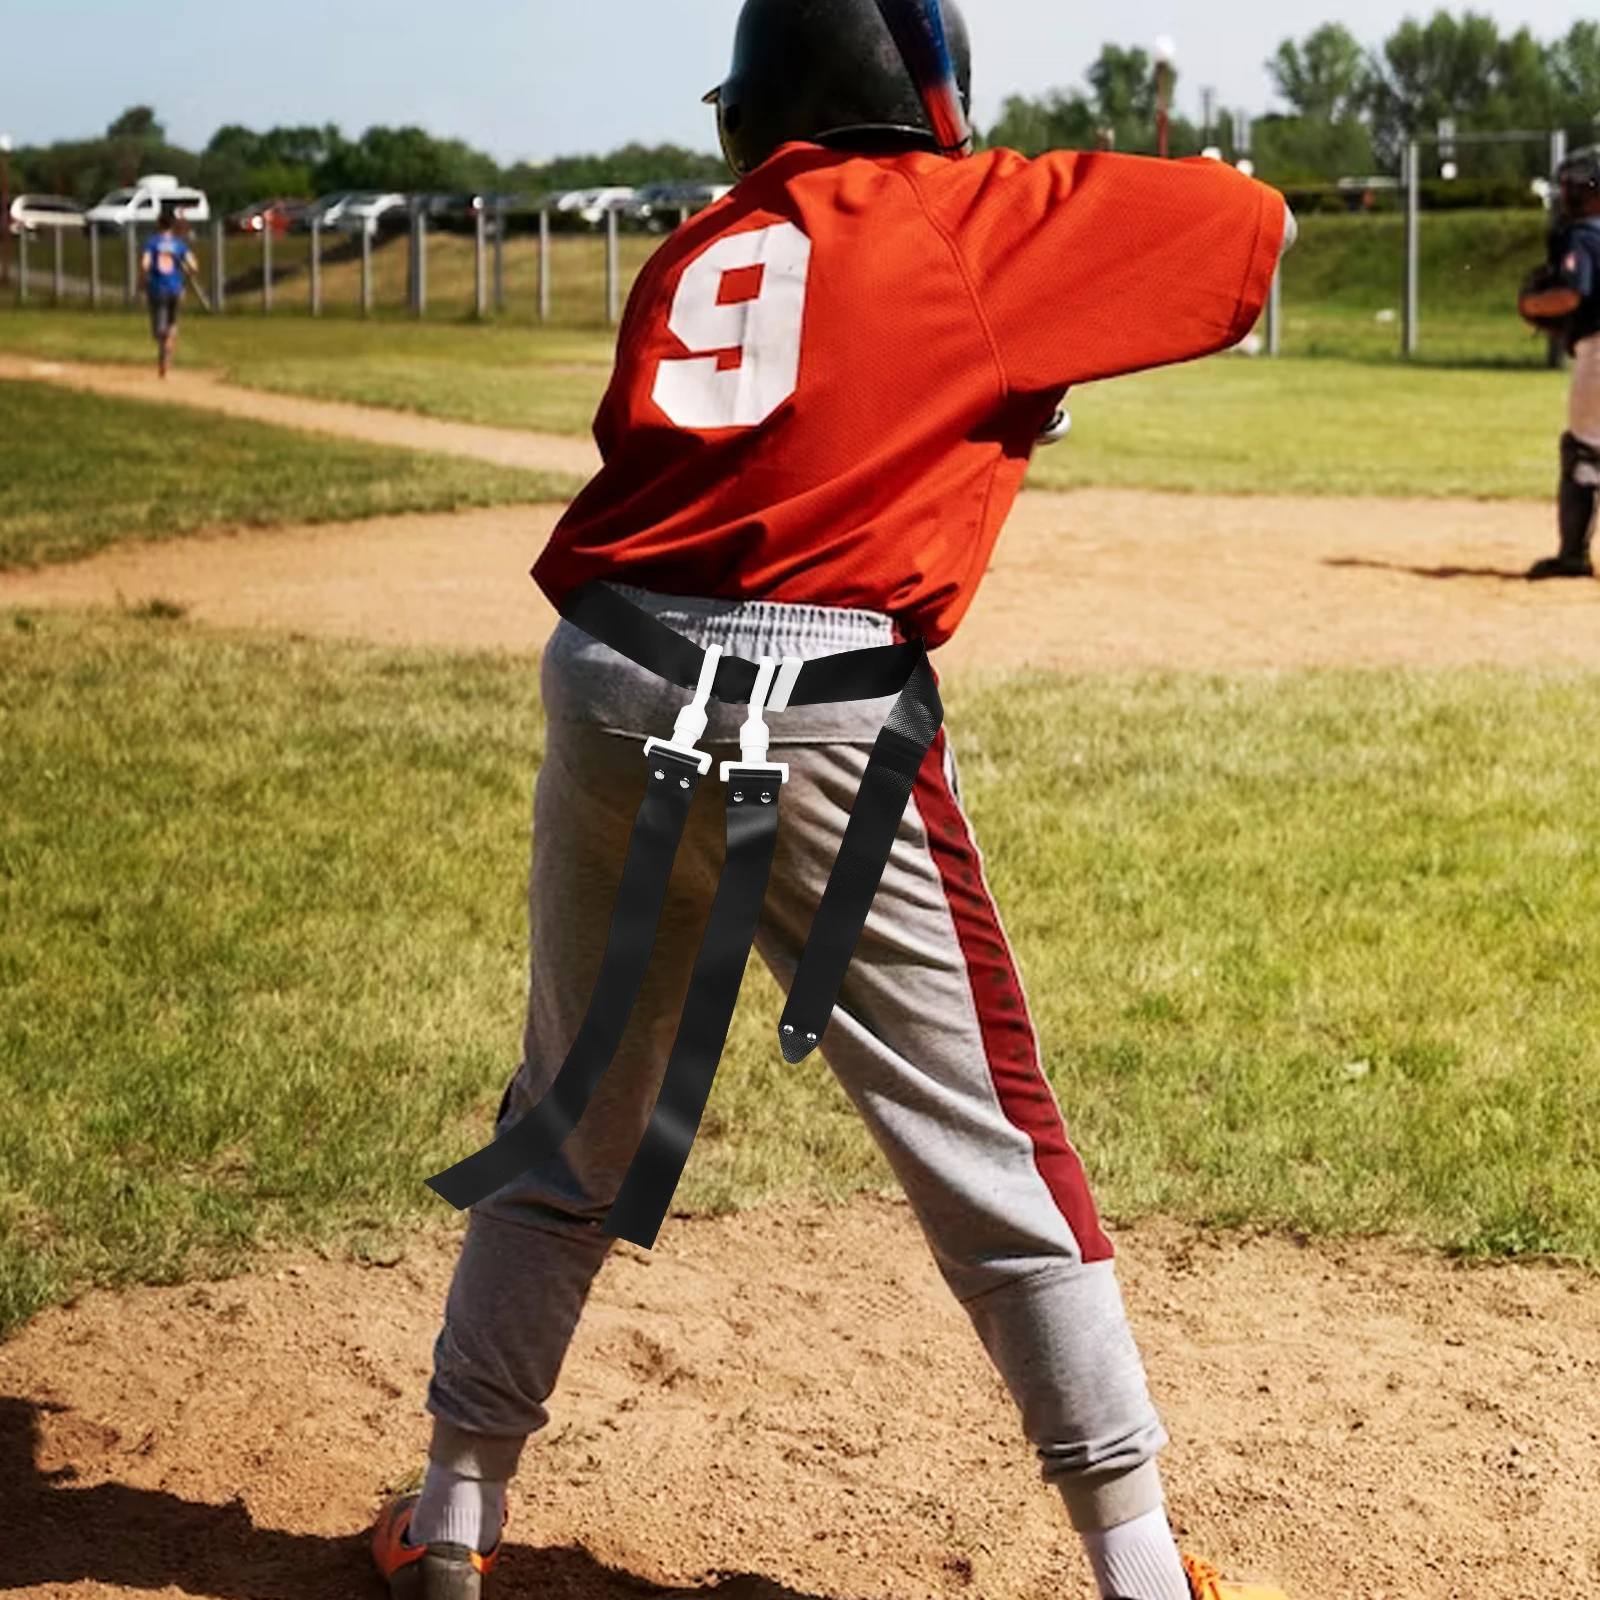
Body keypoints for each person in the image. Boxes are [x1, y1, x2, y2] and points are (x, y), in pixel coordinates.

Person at [371, 3, 1296, 1598]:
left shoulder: (700, 246)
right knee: (989, 1141)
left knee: (572, 1115)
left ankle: (455, 1512)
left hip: (609, 672)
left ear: (755, 108)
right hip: (815, 701)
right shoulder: (963, 208)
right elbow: (1247, 235)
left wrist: (1002, 370)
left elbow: (752, 443)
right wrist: (1040, 279)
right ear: (927, 96)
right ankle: (1142, 1569)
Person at [1523, 146, 1600, 579]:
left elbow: (1571, 293)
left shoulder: (1584, 235)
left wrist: (1533, 303)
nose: (1566, 194)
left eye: (1574, 187)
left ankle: (1573, 555)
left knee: (1585, 450)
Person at [139, 206, 200, 378]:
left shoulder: (152, 243)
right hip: (175, 287)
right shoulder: (178, 244)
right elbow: (194, 266)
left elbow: (145, 264)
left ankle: (163, 347)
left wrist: (142, 282)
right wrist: (186, 277)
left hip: (157, 288)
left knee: (159, 327)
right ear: (172, 225)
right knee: (173, 323)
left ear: (158, 224)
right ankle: (167, 358)